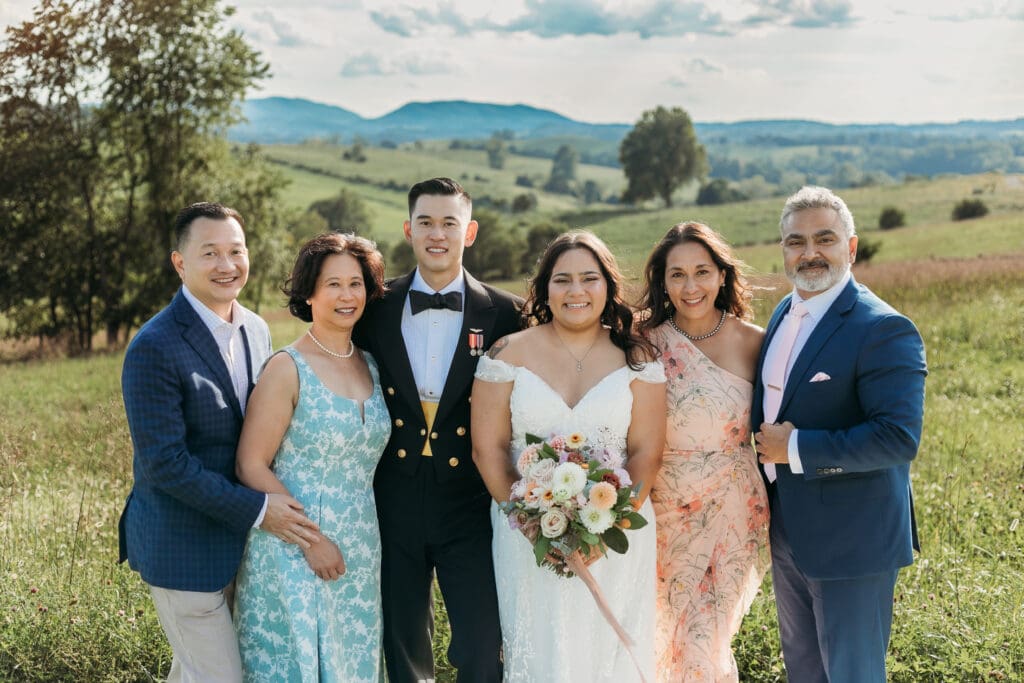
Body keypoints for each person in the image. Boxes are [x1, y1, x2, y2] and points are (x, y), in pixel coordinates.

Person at [118, 202, 319, 682]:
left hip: (241, 549)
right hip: (181, 548)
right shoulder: (153, 347)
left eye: (236, 251)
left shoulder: (256, 328)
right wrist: (258, 509)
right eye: (210, 253)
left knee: (195, 674)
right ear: (180, 262)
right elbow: (166, 465)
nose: (227, 265)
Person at [471, 230, 667, 683]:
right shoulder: (507, 353)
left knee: (610, 654)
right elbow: (488, 449)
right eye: (562, 280)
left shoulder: (637, 358)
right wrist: (532, 523)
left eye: (588, 278)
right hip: (528, 537)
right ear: (544, 289)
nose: (576, 291)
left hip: (618, 534)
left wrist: (606, 529)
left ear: (607, 286)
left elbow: (646, 452)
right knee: (539, 652)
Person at [753, 186, 927, 682]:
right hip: (789, 527)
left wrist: (797, 449)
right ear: (783, 250)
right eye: (795, 242)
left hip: (854, 538)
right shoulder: (784, 313)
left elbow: (897, 437)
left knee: (852, 674)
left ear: (851, 248)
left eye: (824, 239)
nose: (809, 253)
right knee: (804, 670)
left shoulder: (884, 328)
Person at [352, 177, 521, 682]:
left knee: (480, 641)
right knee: (403, 641)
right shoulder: (375, 307)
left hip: (471, 497)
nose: (437, 234)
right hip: (393, 495)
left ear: (469, 232)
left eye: (449, 222)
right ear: (408, 230)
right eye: (425, 222)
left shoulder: (507, 313)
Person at [233, 233, 391, 682]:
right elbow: (250, 464)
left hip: (361, 551)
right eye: (333, 285)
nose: (347, 296)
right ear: (309, 293)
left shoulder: (372, 365)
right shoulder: (287, 367)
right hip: (294, 550)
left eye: (356, 283)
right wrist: (312, 541)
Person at [638, 222, 770, 682]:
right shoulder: (642, 343)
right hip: (661, 510)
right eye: (677, 275)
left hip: (733, 509)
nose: (690, 287)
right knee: (659, 636)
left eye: (701, 272)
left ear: (722, 275)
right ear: (662, 281)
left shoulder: (754, 342)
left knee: (704, 638)